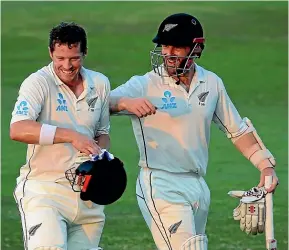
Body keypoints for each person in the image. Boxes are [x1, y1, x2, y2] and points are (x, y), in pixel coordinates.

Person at [109, 13, 279, 250]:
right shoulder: (145, 84)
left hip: (198, 186)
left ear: (196, 48)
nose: (168, 53)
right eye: (165, 45)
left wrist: (265, 166)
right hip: (160, 182)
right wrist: (126, 103)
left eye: (176, 47)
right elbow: (102, 103)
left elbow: (237, 130)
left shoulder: (211, 83)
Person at [10, 22, 110, 250]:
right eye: (60, 58)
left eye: (74, 58)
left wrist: (101, 161)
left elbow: (102, 134)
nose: (67, 66)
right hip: (44, 190)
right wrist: (71, 136)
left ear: (84, 53)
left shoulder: (100, 83)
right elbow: (17, 129)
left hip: (87, 197)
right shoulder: (38, 83)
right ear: (51, 53)